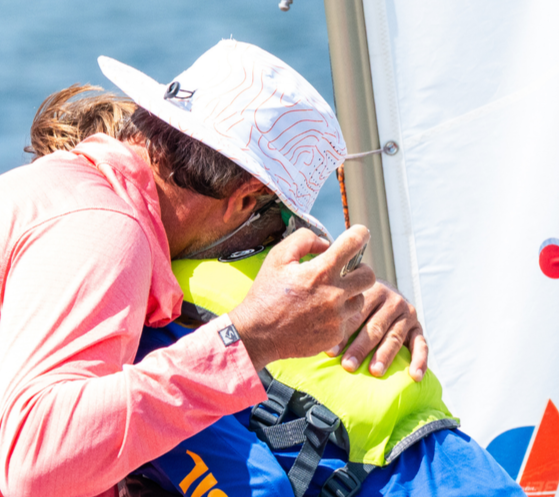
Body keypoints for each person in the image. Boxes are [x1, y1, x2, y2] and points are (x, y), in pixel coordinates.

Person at [21, 43, 525, 497]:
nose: (275, 245)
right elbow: (36, 465)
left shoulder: (65, 199)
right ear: (245, 200)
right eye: (274, 227)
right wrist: (251, 339)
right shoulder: (108, 227)